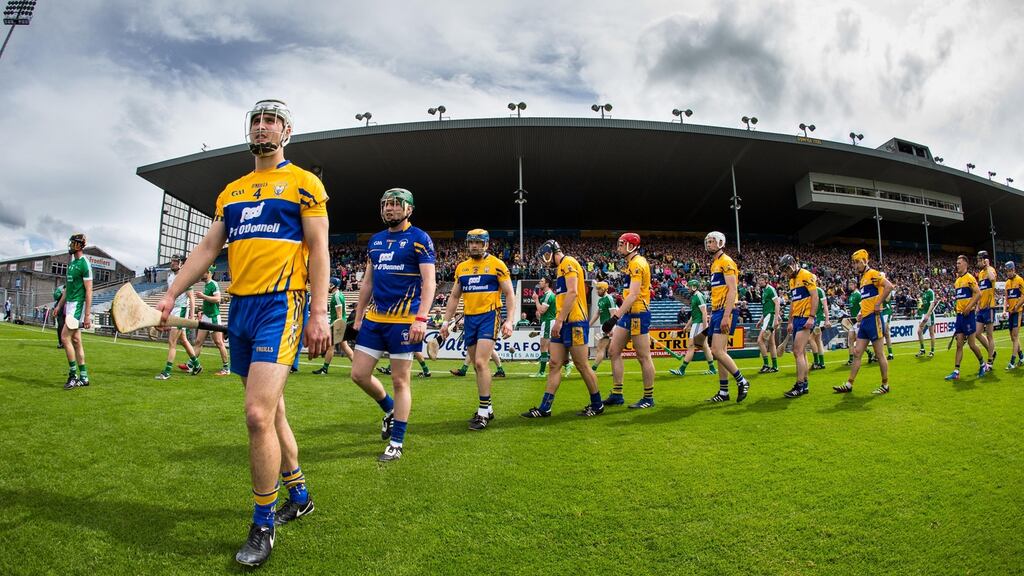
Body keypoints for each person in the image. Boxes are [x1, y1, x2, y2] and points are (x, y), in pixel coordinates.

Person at [156, 99, 330, 567]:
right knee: (271, 415)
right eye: (256, 120)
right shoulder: (231, 191)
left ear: (286, 132)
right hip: (242, 307)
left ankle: (263, 523)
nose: (261, 126)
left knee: (255, 413)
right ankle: (300, 496)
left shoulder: (304, 183)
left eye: (271, 120)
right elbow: (208, 249)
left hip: (283, 302)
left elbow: (319, 249)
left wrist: (318, 312)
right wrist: (171, 292)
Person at [350, 188, 436, 462]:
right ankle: (388, 409)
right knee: (359, 375)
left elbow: (429, 282)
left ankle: (397, 442)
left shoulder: (420, 239)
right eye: (386, 204)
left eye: (396, 205)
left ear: (409, 209)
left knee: (400, 381)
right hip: (375, 319)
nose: (389, 209)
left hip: (403, 321)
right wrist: (360, 314)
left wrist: (421, 317)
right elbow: (368, 283)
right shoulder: (375, 242)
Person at [439, 229, 516, 430]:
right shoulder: (462, 268)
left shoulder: (497, 265)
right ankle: (488, 408)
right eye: (471, 242)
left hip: (490, 316)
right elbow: (454, 297)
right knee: (475, 365)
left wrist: (509, 321)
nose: (474, 246)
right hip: (470, 319)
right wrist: (446, 322)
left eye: (478, 242)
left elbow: (509, 294)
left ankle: (482, 413)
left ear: (486, 244)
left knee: (481, 362)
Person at [521, 240, 604, 418]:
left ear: (549, 252)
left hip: (574, 321)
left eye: (544, 256)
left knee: (582, 365)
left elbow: (573, 293)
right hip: (563, 322)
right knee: (554, 364)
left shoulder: (568, 263)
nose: (544, 261)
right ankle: (545, 408)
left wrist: (558, 321)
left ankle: (597, 405)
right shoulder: (560, 269)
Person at [603, 233, 657, 408]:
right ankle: (617, 394)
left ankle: (648, 398)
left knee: (643, 356)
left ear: (631, 246)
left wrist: (614, 318)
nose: (618, 247)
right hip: (629, 313)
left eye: (622, 244)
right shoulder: (631, 263)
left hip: (638, 313)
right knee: (613, 350)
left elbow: (634, 294)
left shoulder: (637, 264)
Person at [835, 249, 894, 395]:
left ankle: (885, 385)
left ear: (865, 261)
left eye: (857, 262)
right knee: (857, 352)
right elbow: (867, 299)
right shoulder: (862, 279)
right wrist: (861, 312)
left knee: (879, 354)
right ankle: (849, 384)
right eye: (854, 263)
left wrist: (878, 303)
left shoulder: (873, 274)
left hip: (874, 319)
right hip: (866, 320)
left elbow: (889, 286)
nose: (855, 265)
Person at [702, 232, 751, 403]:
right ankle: (724, 392)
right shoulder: (715, 263)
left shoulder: (727, 262)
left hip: (725, 310)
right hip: (717, 310)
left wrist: (726, 315)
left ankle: (742, 381)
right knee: (720, 353)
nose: (709, 244)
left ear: (721, 242)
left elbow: (732, 290)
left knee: (716, 351)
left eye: (712, 241)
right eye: (707, 241)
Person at [53, 233, 92, 389]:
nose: (70, 246)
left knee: (64, 338)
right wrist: (58, 306)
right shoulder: (72, 264)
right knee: (76, 341)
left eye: (72, 243)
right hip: (68, 304)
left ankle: (73, 375)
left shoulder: (84, 264)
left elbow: (89, 291)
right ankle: (84, 377)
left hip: (77, 305)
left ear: (79, 245)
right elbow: (67, 289)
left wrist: (87, 315)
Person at [156, 254, 202, 380]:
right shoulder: (170, 277)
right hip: (174, 309)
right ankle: (197, 365)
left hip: (181, 310)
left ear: (181, 263)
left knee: (172, 342)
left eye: (175, 261)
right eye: (172, 261)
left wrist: (191, 316)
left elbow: (191, 298)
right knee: (183, 340)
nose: (172, 263)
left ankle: (167, 372)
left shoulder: (185, 277)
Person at [942, 255, 987, 380]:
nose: (957, 265)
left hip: (969, 315)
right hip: (959, 316)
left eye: (959, 263)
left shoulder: (970, 278)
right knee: (959, 344)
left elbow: (978, 293)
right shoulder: (957, 281)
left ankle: (983, 364)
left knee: (972, 344)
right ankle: (956, 371)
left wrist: (969, 307)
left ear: (965, 264)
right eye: (956, 263)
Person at [779, 254, 818, 398]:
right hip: (797, 319)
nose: (786, 272)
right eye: (785, 270)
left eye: (787, 269)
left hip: (805, 318)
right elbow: (793, 303)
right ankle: (804, 384)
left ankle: (799, 385)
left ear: (794, 264)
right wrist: (790, 321)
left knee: (797, 351)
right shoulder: (792, 281)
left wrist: (811, 317)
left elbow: (815, 296)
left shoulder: (806, 275)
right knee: (802, 352)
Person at [670, 279, 716, 376]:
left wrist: (704, 327)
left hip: (698, 324)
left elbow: (704, 312)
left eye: (690, 287)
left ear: (694, 287)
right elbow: (694, 314)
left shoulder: (699, 296)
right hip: (697, 323)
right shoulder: (695, 296)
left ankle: (682, 369)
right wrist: (687, 325)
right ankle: (712, 369)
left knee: (691, 347)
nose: (688, 289)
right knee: (705, 347)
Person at [191, 265, 230, 376]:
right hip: (206, 316)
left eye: (204, 272)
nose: (202, 274)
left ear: (209, 273)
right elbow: (209, 303)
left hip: (213, 317)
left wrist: (203, 296)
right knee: (198, 342)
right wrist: (202, 310)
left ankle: (226, 368)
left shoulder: (214, 284)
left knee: (219, 343)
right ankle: (192, 364)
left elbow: (217, 299)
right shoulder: (207, 285)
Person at [312, 277, 354, 374]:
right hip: (339, 324)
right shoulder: (338, 295)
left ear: (334, 285)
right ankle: (359, 367)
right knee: (345, 347)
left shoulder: (336, 296)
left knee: (330, 347)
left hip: (338, 324)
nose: (328, 286)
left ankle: (324, 369)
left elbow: (339, 315)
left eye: (330, 284)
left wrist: (335, 327)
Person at [530, 277, 559, 378]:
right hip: (547, 322)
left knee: (543, 347)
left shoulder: (548, 295)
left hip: (548, 322)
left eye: (541, 281)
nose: (539, 282)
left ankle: (542, 372)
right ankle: (567, 363)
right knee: (550, 348)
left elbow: (542, 310)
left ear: (547, 284)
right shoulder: (548, 295)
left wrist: (536, 300)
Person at [975, 250, 997, 370]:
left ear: (985, 260)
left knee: (989, 335)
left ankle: (990, 362)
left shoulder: (990, 269)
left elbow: (992, 278)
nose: (978, 262)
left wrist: (988, 265)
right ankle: (992, 352)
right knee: (977, 333)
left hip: (989, 307)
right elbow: (980, 291)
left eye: (979, 260)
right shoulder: (980, 274)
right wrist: (978, 305)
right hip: (981, 307)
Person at [757, 273, 781, 373]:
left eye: (762, 280)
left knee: (760, 341)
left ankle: (766, 365)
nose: (760, 282)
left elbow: (777, 303)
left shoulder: (770, 289)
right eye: (759, 280)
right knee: (771, 343)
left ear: (766, 280)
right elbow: (766, 307)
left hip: (770, 317)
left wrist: (776, 319)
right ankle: (775, 366)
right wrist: (761, 320)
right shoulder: (764, 291)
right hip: (767, 317)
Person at [589, 281, 615, 371]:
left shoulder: (609, 299)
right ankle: (615, 370)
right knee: (612, 351)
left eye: (599, 289)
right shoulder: (600, 300)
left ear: (604, 289)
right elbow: (597, 314)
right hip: (603, 326)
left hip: (608, 328)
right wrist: (589, 325)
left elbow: (613, 314)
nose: (597, 291)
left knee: (600, 348)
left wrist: (611, 328)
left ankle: (593, 369)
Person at [1003, 261, 1023, 370]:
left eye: (1010, 271)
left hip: (1017, 312)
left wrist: (1017, 306)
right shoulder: (1007, 283)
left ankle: (1012, 362)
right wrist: (1004, 310)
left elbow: (1023, 296)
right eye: (1007, 271)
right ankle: (1022, 357)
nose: (1008, 273)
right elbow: (1006, 298)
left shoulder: (1019, 280)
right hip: (1010, 313)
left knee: (1015, 336)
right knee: (1012, 337)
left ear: (1013, 269)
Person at [809, 281, 830, 370]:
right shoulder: (810, 291)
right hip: (815, 319)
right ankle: (821, 363)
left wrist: (827, 320)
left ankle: (817, 362)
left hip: (819, 319)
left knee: (811, 339)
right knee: (818, 340)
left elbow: (825, 306)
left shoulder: (819, 291)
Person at [915, 278, 938, 358]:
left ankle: (932, 351)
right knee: (919, 331)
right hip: (924, 314)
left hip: (929, 315)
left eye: (926, 283)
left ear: (928, 284)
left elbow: (932, 304)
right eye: (924, 283)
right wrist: (920, 307)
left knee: (931, 333)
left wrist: (927, 315)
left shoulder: (930, 292)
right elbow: (924, 304)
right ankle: (922, 349)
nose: (925, 284)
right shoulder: (923, 293)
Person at [53, 284, 65, 349]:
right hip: (61, 309)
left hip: (70, 309)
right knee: (61, 325)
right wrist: (62, 294)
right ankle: (61, 343)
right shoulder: (60, 288)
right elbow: (56, 296)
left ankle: (67, 343)